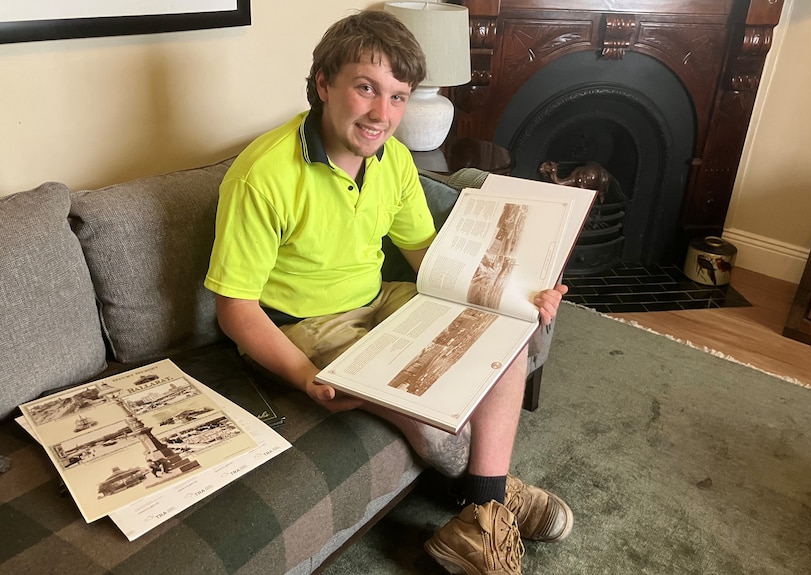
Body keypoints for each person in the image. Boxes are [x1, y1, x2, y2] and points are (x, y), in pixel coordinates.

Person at [204, 10, 572, 574]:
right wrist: (306, 377)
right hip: (303, 326)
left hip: (382, 299)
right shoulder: (263, 175)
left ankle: (483, 510)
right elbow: (234, 310)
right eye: (366, 88)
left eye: (398, 96)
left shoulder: (393, 159)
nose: (383, 114)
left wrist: (518, 293)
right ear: (324, 83)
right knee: (434, 415)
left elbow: (430, 255)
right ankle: (499, 499)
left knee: (507, 328)